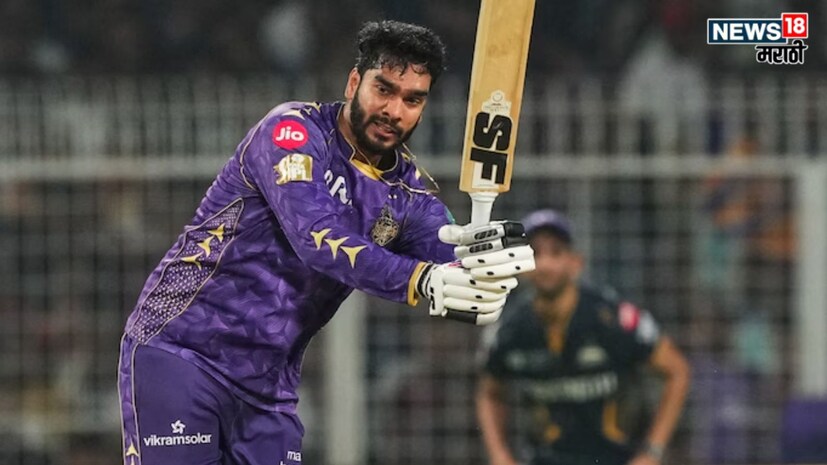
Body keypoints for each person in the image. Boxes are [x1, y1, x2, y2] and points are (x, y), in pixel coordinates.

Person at [117, 20, 535, 465]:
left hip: (268, 389)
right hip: (183, 353)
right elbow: (317, 238)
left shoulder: (410, 194)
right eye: (384, 89)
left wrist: (487, 271)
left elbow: (452, 264)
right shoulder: (292, 132)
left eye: (412, 99)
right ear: (354, 82)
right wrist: (423, 280)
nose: (394, 110)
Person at [476, 209, 690, 465]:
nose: (545, 264)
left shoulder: (613, 318)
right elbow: (490, 393)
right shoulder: (510, 329)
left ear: (576, 262)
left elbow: (677, 371)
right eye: (535, 253)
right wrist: (500, 456)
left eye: (556, 252)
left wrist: (652, 452)